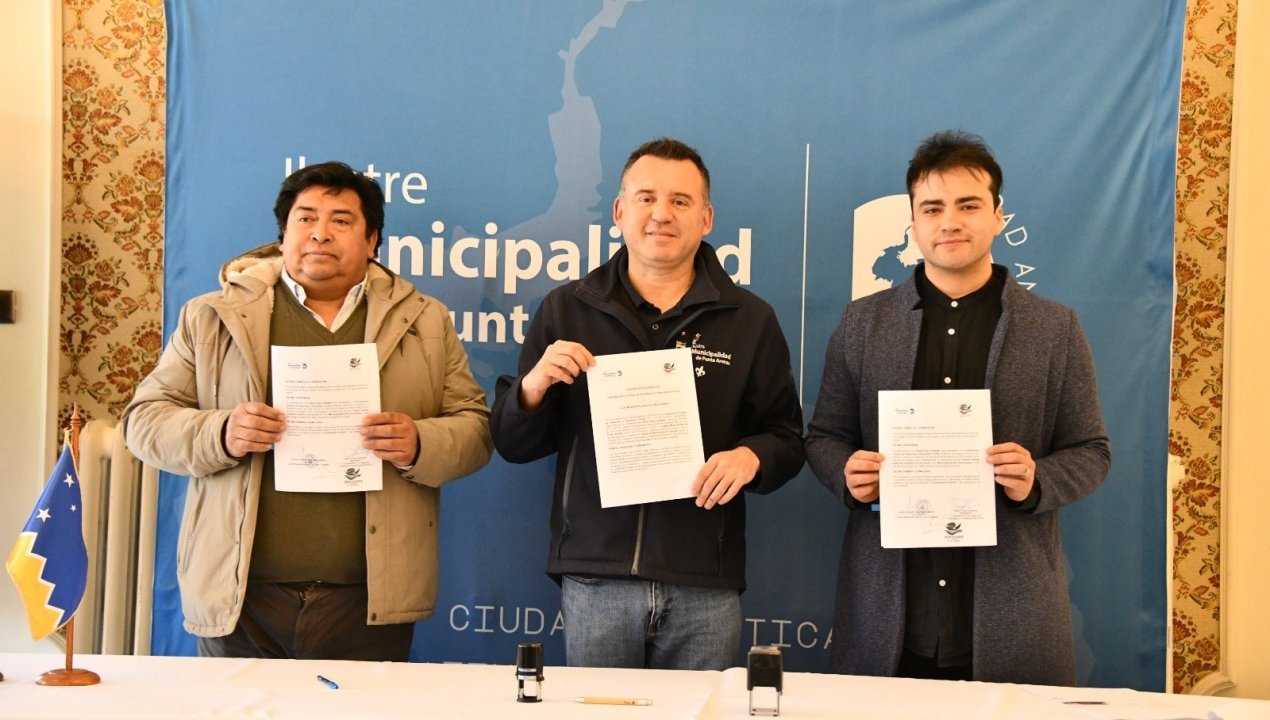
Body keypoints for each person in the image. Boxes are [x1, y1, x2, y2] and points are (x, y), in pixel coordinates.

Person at [122, 161, 492, 661]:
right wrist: (221, 432)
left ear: (372, 241)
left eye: (341, 220)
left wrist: (420, 443)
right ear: (283, 235)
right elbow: (143, 422)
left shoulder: (425, 320)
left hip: (369, 599)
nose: (320, 233)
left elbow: (475, 429)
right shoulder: (211, 317)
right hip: (241, 595)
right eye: (306, 218)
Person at [805, 130, 1110, 685]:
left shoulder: (1054, 329)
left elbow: (1092, 451)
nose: (950, 222)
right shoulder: (862, 323)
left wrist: (1037, 480)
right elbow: (824, 437)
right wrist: (847, 473)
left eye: (968, 205)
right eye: (933, 208)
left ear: (997, 216)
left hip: (1012, 612)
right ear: (913, 223)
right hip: (890, 616)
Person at [490, 138, 805, 671]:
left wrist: (751, 457)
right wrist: (533, 387)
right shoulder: (566, 310)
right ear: (619, 212)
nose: (662, 214)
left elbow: (787, 438)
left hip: (704, 582)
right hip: (596, 578)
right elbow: (513, 444)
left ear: (706, 219)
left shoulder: (750, 320)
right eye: (646, 198)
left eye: (681, 201)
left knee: (703, 711)